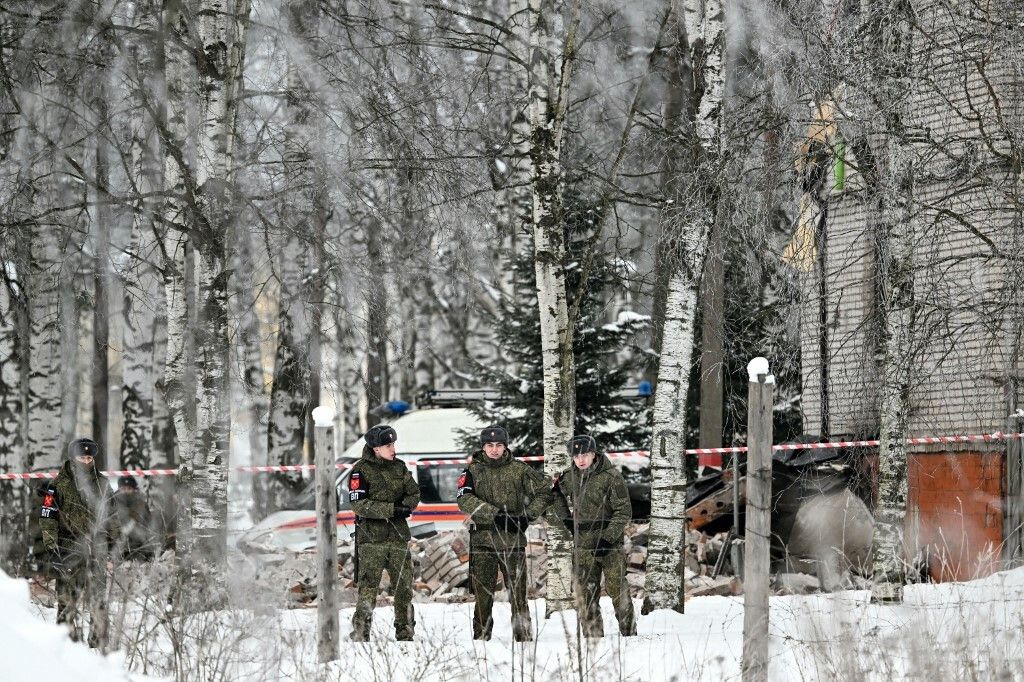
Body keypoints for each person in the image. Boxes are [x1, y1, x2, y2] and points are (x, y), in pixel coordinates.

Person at [457, 425, 552, 641]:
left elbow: (545, 493)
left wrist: (527, 516)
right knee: (482, 595)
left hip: (512, 541)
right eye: (490, 445)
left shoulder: (520, 470)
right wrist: (495, 514)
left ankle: (524, 638)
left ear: (505, 446)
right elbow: (464, 499)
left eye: (499, 445)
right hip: (483, 541)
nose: (494, 449)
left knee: (518, 594)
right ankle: (481, 638)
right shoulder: (472, 471)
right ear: (483, 447)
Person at [549, 434, 636, 637]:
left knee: (618, 590)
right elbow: (555, 495)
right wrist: (567, 520)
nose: (581, 460)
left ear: (593, 454)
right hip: (583, 545)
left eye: (585, 454)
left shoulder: (611, 476)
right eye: (576, 456)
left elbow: (624, 511)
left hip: (609, 545)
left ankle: (629, 634)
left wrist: (608, 538)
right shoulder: (569, 477)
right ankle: (593, 638)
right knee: (585, 594)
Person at [348, 424, 421, 641]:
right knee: (368, 587)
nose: (393, 449)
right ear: (376, 449)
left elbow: (414, 493)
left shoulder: (399, 468)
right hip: (371, 539)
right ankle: (361, 632)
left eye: (393, 444)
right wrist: (391, 509)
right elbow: (358, 504)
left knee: (404, 587)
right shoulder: (360, 470)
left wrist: (406, 506)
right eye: (388, 445)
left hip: (397, 536)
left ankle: (405, 631)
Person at [39, 438, 113, 644]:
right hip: (68, 548)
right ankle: (65, 645)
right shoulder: (57, 485)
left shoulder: (103, 484)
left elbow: (112, 518)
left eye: (90, 457)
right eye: (82, 457)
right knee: (66, 600)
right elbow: (47, 517)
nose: (87, 461)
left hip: (97, 549)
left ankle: (97, 645)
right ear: (73, 458)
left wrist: (114, 547)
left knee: (98, 600)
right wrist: (52, 547)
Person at [111, 476, 154, 561]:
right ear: (119, 489)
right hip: (119, 545)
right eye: (123, 488)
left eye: (129, 488)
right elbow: (110, 525)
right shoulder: (113, 504)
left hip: (138, 545)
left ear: (134, 489)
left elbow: (148, 524)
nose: (126, 491)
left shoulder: (141, 504)